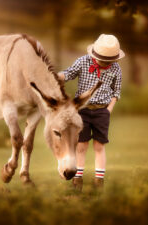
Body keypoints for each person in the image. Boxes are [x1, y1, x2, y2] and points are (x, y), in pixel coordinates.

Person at [58, 34, 125, 192]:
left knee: (99, 146)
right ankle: (78, 179)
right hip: (82, 111)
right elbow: (69, 74)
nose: (105, 63)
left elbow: (117, 92)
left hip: (102, 111)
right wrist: (55, 76)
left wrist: (108, 110)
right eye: (103, 60)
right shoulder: (83, 61)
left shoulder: (116, 69)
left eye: (108, 61)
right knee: (81, 145)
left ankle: (99, 181)